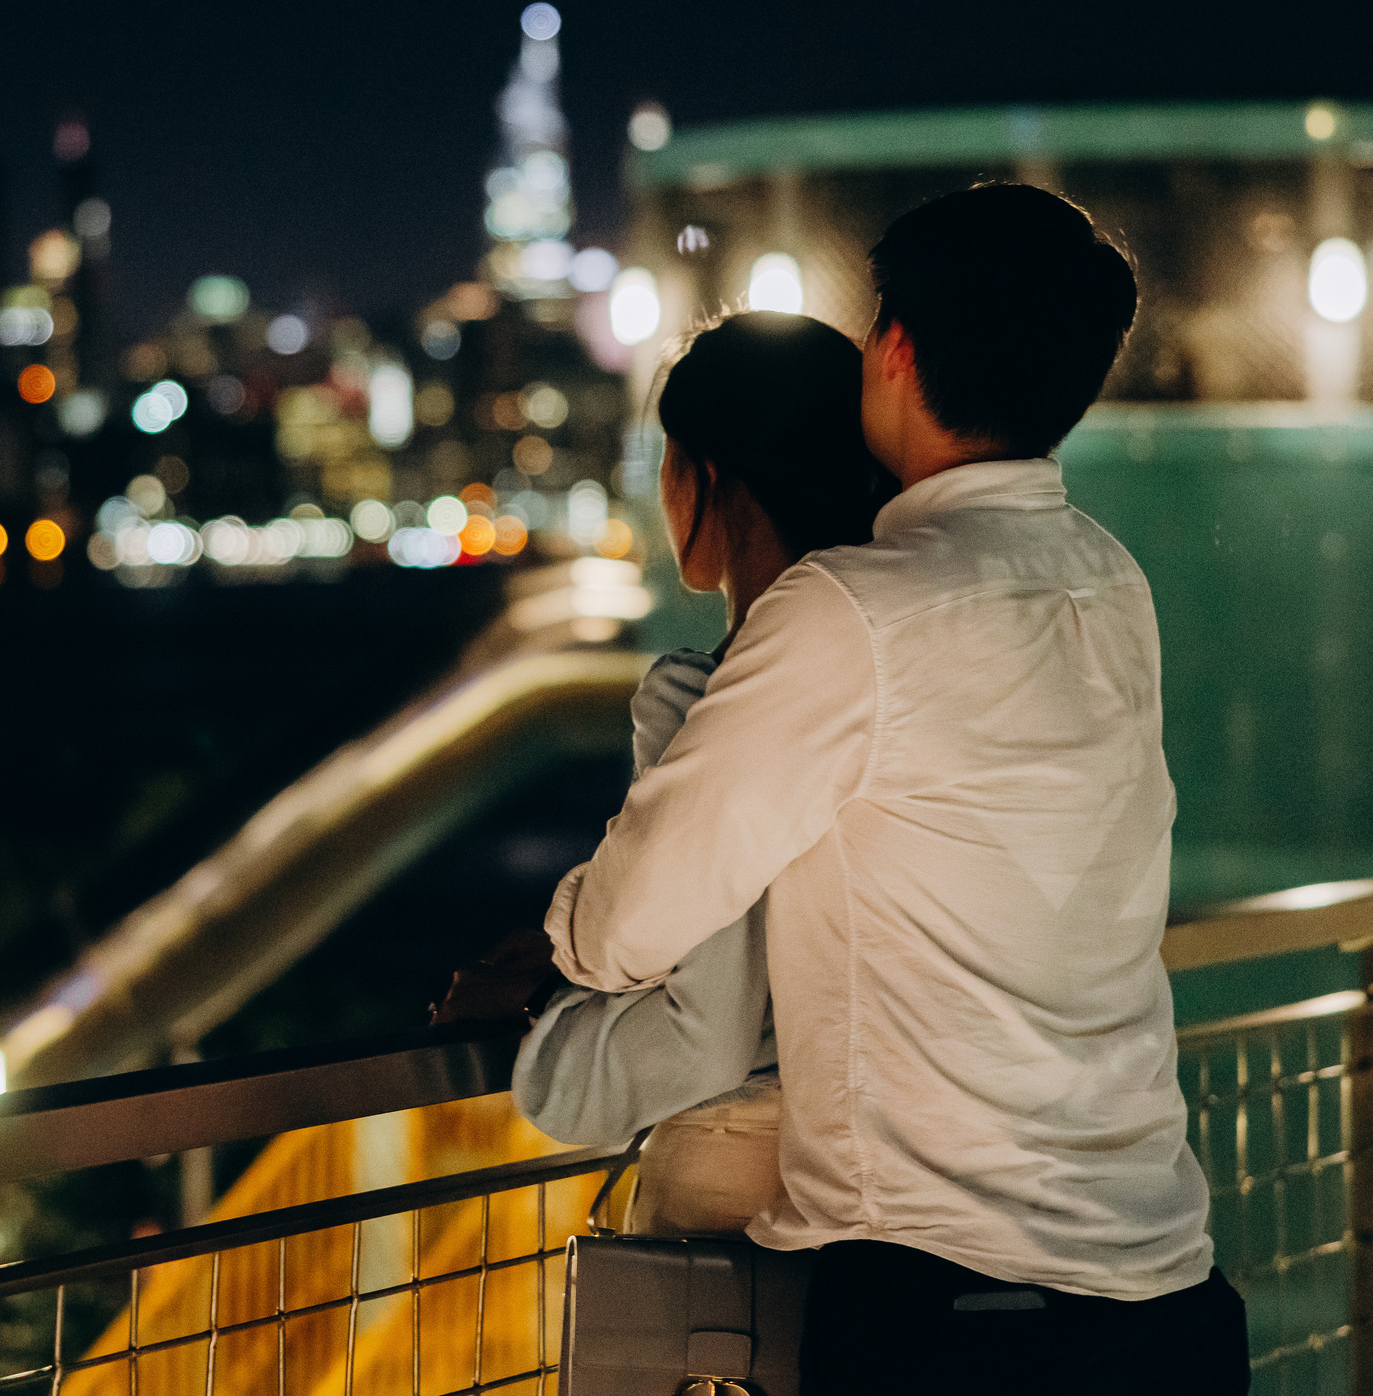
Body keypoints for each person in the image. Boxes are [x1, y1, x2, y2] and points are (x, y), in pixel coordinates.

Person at [544, 184, 1249, 1393]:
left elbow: (625, 925)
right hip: (1165, 1300)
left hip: (953, 1320)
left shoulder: (851, 609)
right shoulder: (1106, 582)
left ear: (899, 349)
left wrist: (552, 936)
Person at [499, 312, 886, 1235]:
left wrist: (545, 1043)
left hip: (741, 1214)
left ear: (701, 479)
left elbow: (700, 1034)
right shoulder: (907, 676)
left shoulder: (703, 705)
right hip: (906, 1204)